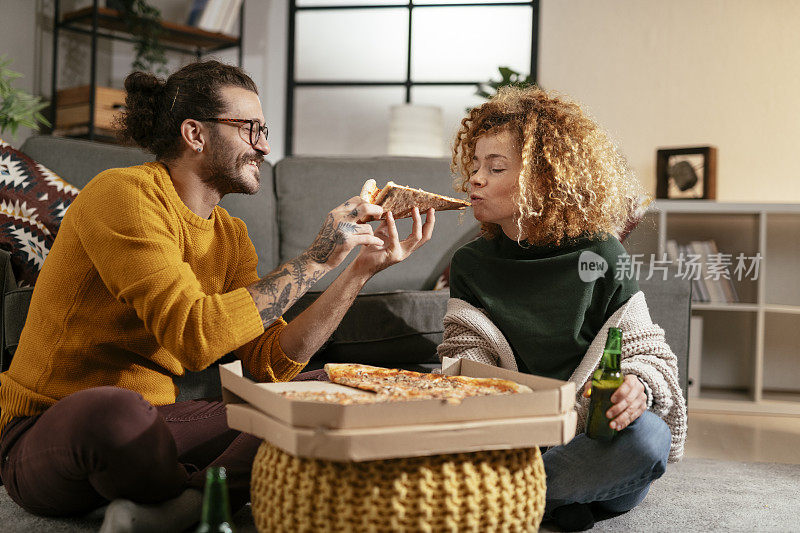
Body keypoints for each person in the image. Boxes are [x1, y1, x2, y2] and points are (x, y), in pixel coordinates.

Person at [0, 60, 434, 531]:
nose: (264, 146)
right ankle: (199, 495)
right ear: (195, 134)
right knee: (114, 411)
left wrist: (356, 272)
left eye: (263, 130)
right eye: (250, 129)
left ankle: (176, 509)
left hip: (160, 423)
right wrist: (316, 258)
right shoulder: (122, 195)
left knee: (329, 391)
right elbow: (195, 335)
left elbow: (264, 365)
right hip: (52, 429)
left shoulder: (231, 236)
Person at [437, 86, 686, 531]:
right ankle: (559, 502)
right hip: (515, 440)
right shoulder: (470, 265)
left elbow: (651, 356)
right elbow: (463, 366)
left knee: (649, 440)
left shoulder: (602, 254)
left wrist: (636, 387)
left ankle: (509, 502)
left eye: (495, 168)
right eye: (473, 166)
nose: (475, 178)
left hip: (592, 438)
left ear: (544, 177)